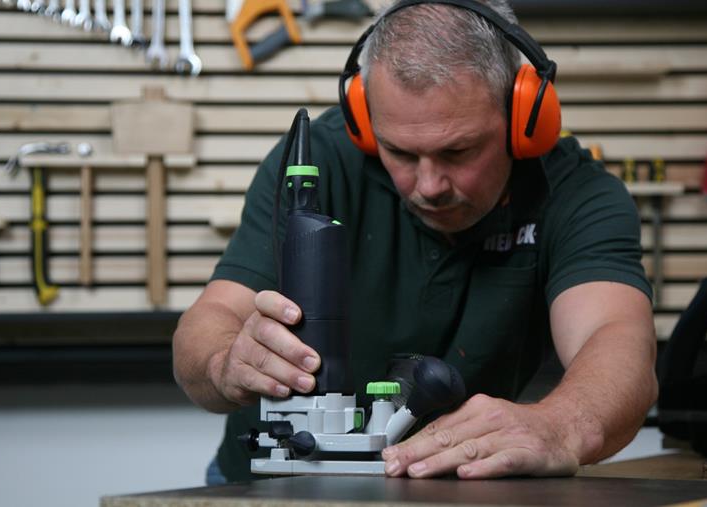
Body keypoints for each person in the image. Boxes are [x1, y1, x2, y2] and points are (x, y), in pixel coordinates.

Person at [173, 0, 657, 483]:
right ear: (366, 122)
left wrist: (560, 425)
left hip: (447, 487)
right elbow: (207, 327)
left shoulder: (577, 191)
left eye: (458, 150)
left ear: (522, 117)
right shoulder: (318, 162)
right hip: (269, 486)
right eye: (400, 151)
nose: (428, 186)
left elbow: (615, 337)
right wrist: (225, 362)